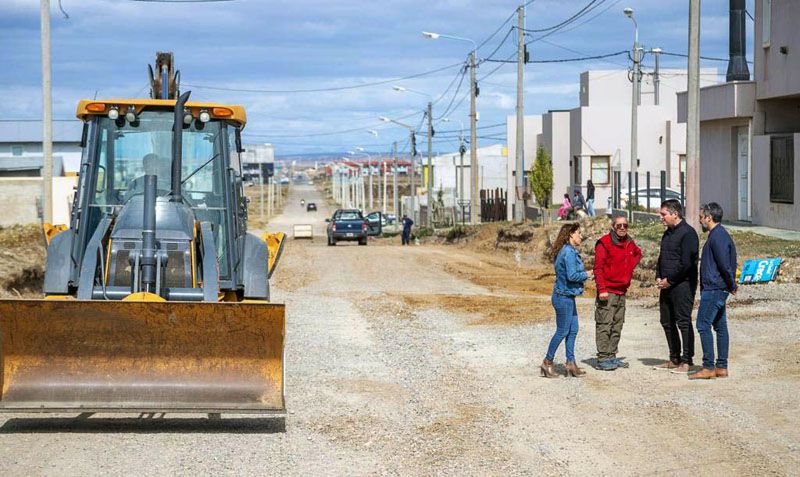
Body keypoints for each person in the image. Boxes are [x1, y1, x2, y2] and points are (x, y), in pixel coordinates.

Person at [689, 203, 737, 380]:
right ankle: (721, 367)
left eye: (701, 217)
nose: (700, 220)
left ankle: (709, 367)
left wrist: (731, 284)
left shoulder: (718, 236)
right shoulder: (718, 235)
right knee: (720, 326)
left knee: (702, 325)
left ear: (709, 217)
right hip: (717, 287)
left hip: (715, 288)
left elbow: (725, 263)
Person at [541, 223, 593, 378]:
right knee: (563, 330)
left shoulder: (565, 250)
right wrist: (587, 274)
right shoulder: (569, 252)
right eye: (578, 233)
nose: (581, 236)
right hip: (563, 297)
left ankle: (570, 363)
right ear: (570, 234)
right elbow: (572, 275)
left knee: (573, 329)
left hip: (566, 296)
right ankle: (547, 362)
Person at [654, 199, 699, 374]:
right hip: (666, 285)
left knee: (683, 321)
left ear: (675, 214)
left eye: (664, 214)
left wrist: (671, 280)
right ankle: (674, 358)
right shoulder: (667, 234)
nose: (661, 218)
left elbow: (686, 263)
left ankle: (687, 361)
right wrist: (658, 276)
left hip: (682, 285)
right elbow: (662, 257)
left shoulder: (688, 234)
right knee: (666, 321)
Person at [593, 213, 642, 371]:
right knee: (604, 324)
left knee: (617, 325)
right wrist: (602, 289)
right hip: (608, 292)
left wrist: (627, 271)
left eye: (625, 226)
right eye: (619, 225)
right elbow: (598, 268)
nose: (622, 228)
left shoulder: (629, 242)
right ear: (613, 227)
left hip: (622, 291)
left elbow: (638, 254)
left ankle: (611, 356)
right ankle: (602, 358)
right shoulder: (604, 243)